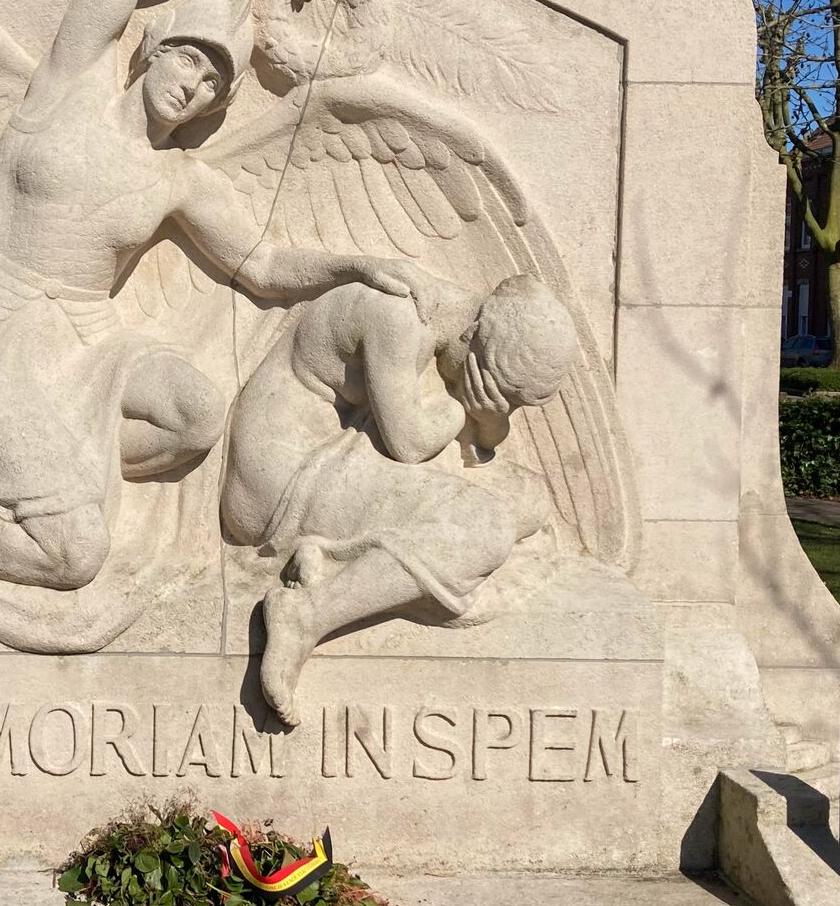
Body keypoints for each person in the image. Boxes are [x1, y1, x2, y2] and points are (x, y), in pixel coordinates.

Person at [0, 0, 435, 591]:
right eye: (189, 60)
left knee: (196, 414)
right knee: (71, 553)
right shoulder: (68, 88)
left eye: (213, 83)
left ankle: (51, 464)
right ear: (153, 49)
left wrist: (355, 267)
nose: (194, 86)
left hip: (84, 340)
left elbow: (261, 263)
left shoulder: (181, 179)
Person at [221, 274, 580, 726]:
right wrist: (463, 406)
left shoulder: (446, 331)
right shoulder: (395, 316)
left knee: (529, 500)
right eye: (492, 392)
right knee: (483, 527)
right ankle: (305, 616)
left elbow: (477, 443)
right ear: (471, 335)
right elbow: (410, 444)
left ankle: (333, 559)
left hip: (342, 459)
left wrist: (486, 416)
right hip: (282, 480)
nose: (499, 408)